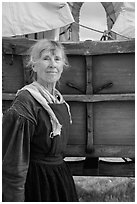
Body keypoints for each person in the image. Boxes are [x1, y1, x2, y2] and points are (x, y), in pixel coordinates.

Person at [2, 39, 78, 202]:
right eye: (46, 58)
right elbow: (14, 162)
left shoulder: (59, 101)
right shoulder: (25, 103)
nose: (52, 64)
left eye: (57, 59)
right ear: (34, 65)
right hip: (36, 182)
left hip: (58, 178)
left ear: (63, 66)